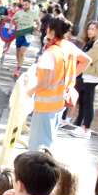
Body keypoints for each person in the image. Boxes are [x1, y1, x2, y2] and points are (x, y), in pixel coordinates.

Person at [27, 15, 89, 152]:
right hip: (60, 101)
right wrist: (71, 77)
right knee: (48, 141)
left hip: (45, 104)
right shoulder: (68, 47)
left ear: (51, 31)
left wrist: (29, 92)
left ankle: (37, 172)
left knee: (38, 146)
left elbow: (44, 82)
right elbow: (86, 60)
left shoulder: (50, 53)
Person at [67, 20, 98, 139]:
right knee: (84, 101)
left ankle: (86, 128)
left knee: (88, 102)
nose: (91, 31)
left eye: (94, 29)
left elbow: (90, 57)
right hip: (90, 75)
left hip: (93, 75)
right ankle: (82, 126)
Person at [11, 0, 39, 77]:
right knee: (18, 53)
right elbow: (12, 20)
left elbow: (38, 22)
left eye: (26, 5)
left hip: (28, 35)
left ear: (30, 4)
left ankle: (18, 69)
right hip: (19, 34)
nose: (24, 6)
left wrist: (37, 29)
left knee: (22, 52)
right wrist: (11, 29)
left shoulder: (34, 13)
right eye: (23, 5)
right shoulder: (19, 12)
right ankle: (18, 64)